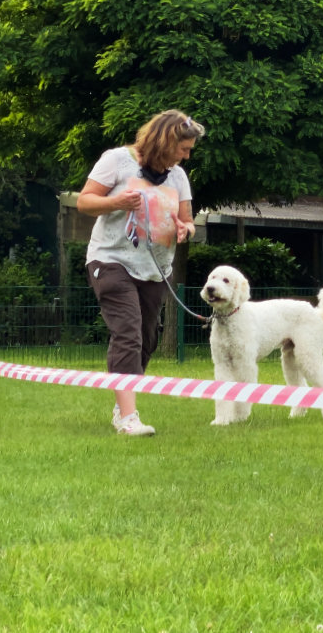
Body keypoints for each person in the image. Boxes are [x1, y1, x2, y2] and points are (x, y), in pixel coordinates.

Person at [77, 109, 204, 435]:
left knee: (146, 340)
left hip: (155, 269)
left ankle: (122, 407)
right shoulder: (117, 160)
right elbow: (85, 202)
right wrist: (117, 202)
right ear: (166, 140)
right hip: (111, 260)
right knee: (129, 332)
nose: (187, 156)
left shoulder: (177, 176)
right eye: (184, 149)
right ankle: (128, 418)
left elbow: (188, 222)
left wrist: (184, 230)